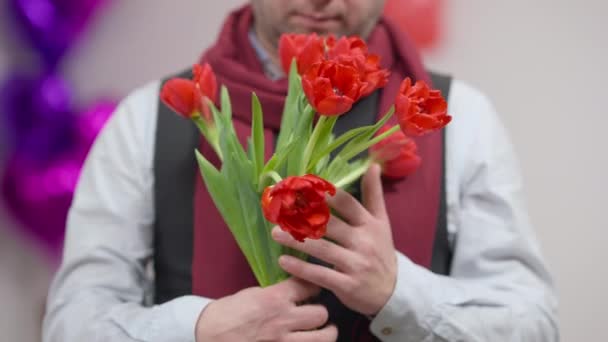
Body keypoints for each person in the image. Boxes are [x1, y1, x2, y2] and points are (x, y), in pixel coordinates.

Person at [42, 1, 559, 341]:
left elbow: (535, 324)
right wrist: (199, 330)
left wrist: (399, 294)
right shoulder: (146, 119)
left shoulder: (463, 117)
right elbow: (70, 324)